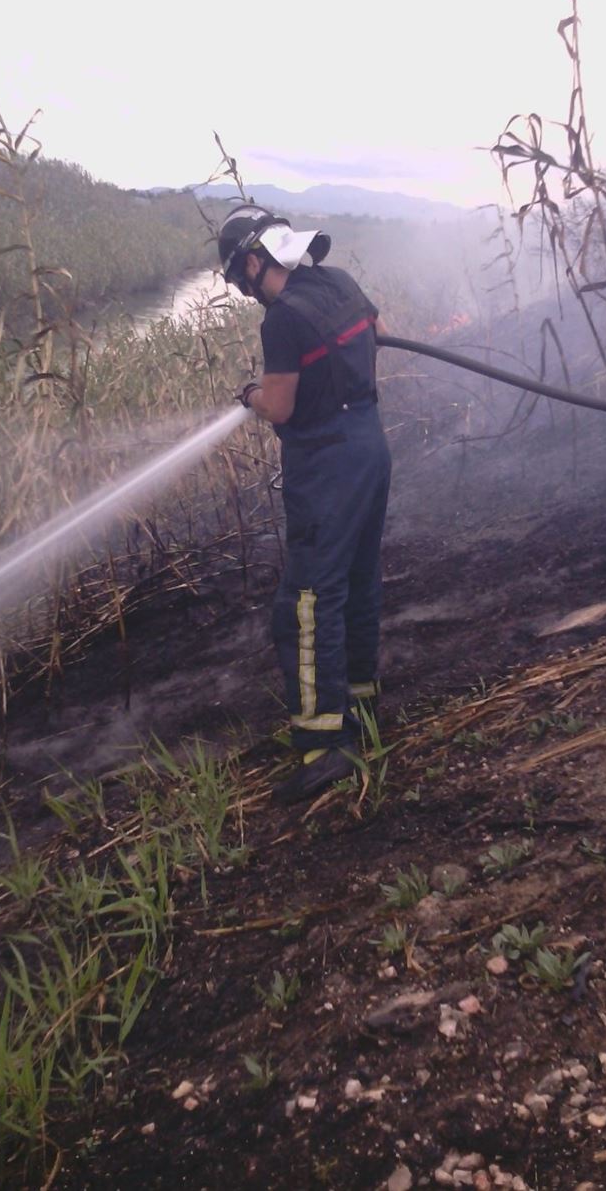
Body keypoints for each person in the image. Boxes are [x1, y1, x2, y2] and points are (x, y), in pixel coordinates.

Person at [218, 204, 392, 804]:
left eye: (242, 280)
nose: (245, 291)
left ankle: (325, 747)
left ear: (253, 261)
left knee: (308, 602)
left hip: (327, 465)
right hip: (370, 448)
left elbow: (282, 407)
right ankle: (364, 710)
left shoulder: (282, 319)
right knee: (358, 580)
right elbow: (377, 331)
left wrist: (251, 395)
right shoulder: (338, 281)